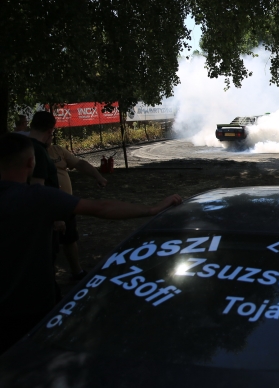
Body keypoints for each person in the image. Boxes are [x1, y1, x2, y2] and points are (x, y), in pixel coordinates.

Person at [0, 132, 182, 354]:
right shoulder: (38, 198)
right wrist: (151, 209)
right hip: (30, 305)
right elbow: (101, 208)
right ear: (31, 162)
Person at [48, 144, 108, 280]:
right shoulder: (34, 152)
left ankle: (77, 272)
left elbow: (79, 163)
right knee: (47, 244)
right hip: (47, 205)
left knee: (69, 238)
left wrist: (97, 176)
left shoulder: (57, 150)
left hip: (65, 204)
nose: (50, 137)